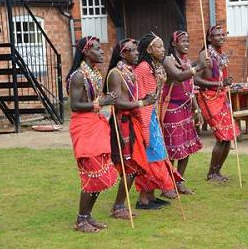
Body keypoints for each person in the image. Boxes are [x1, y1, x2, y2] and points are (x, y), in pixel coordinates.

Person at [105, 38, 163, 216]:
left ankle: (120, 205)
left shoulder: (129, 71)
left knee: (135, 165)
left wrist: (147, 99)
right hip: (122, 123)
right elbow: (120, 103)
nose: (137, 53)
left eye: (137, 50)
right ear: (123, 53)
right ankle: (118, 207)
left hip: (131, 122)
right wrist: (142, 102)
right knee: (129, 165)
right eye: (133, 50)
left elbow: (130, 98)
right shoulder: (116, 74)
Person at [67, 36, 118, 233]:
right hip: (84, 127)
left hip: (95, 124)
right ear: (86, 52)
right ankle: (81, 220)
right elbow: (75, 105)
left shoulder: (94, 73)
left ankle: (87, 216)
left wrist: (105, 100)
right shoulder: (79, 76)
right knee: (92, 173)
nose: (102, 51)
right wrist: (101, 103)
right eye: (97, 49)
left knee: (101, 172)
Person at [134, 32, 183, 207]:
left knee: (157, 153)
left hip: (153, 114)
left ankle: (150, 195)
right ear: (148, 49)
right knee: (152, 153)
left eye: (163, 46)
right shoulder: (143, 68)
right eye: (158, 46)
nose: (162, 50)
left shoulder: (155, 65)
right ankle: (143, 198)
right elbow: (142, 95)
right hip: (145, 116)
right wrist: (146, 122)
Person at [195, 25, 240, 182]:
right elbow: (195, 79)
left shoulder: (220, 55)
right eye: (217, 35)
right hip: (209, 98)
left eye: (223, 34)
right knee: (222, 137)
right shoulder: (205, 55)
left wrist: (225, 83)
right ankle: (211, 173)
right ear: (209, 38)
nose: (222, 37)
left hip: (222, 98)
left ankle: (217, 171)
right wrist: (219, 84)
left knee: (228, 136)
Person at [162, 31, 205, 194]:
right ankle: (167, 184)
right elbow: (178, 76)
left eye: (188, 41)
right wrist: (198, 67)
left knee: (186, 147)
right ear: (174, 44)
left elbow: (191, 88)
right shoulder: (168, 60)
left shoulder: (186, 60)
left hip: (186, 109)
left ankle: (179, 181)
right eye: (183, 41)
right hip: (172, 109)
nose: (187, 44)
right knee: (172, 148)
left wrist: (197, 108)